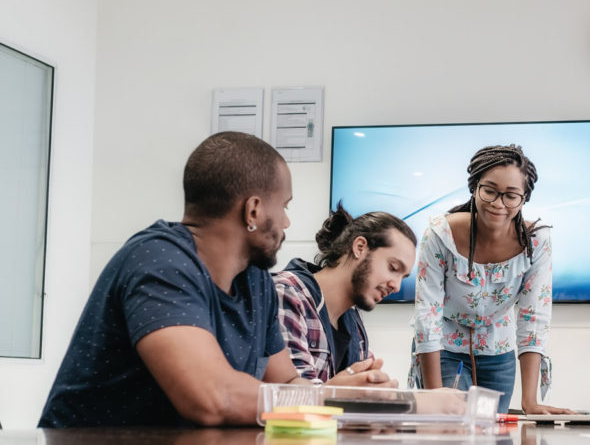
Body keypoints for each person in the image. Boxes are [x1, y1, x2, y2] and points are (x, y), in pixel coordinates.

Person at [38, 131, 303, 428]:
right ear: (253, 210)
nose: (286, 222)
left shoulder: (256, 282)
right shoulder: (159, 262)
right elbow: (213, 397)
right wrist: (323, 404)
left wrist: (349, 400)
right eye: (285, 206)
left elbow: (287, 382)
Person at [411, 144, 571, 414]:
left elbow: (534, 316)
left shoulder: (536, 241)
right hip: (442, 348)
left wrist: (530, 401)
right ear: (475, 188)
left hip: (499, 352)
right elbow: (427, 312)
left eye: (511, 196)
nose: (498, 204)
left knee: (492, 444)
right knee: (444, 435)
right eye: (489, 191)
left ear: (524, 199)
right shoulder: (440, 234)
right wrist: (434, 396)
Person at [274, 203, 416, 387]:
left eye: (402, 277)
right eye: (393, 268)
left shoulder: (354, 325)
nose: (396, 286)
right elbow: (290, 396)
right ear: (360, 247)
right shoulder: (287, 294)